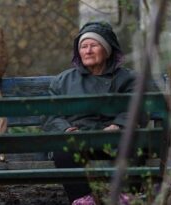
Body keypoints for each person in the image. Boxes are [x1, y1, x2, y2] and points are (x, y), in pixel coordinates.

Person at [43, 21, 141, 205]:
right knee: (63, 148)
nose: (87, 51)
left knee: (133, 142)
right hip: (79, 141)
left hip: (114, 139)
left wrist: (118, 125)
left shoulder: (128, 79)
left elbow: (137, 106)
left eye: (93, 45)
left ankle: (125, 196)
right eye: (83, 46)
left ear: (107, 50)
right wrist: (66, 130)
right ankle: (84, 199)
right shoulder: (62, 81)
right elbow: (51, 114)